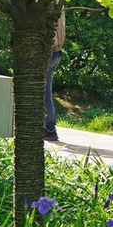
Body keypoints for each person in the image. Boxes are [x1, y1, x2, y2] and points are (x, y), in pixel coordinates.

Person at [44, 8, 65, 141]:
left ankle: (50, 128)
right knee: (46, 92)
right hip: (57, 50)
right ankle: (48, 127)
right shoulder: (59, 3)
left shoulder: (48, 3)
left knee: (45, 93)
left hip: (49, 50)